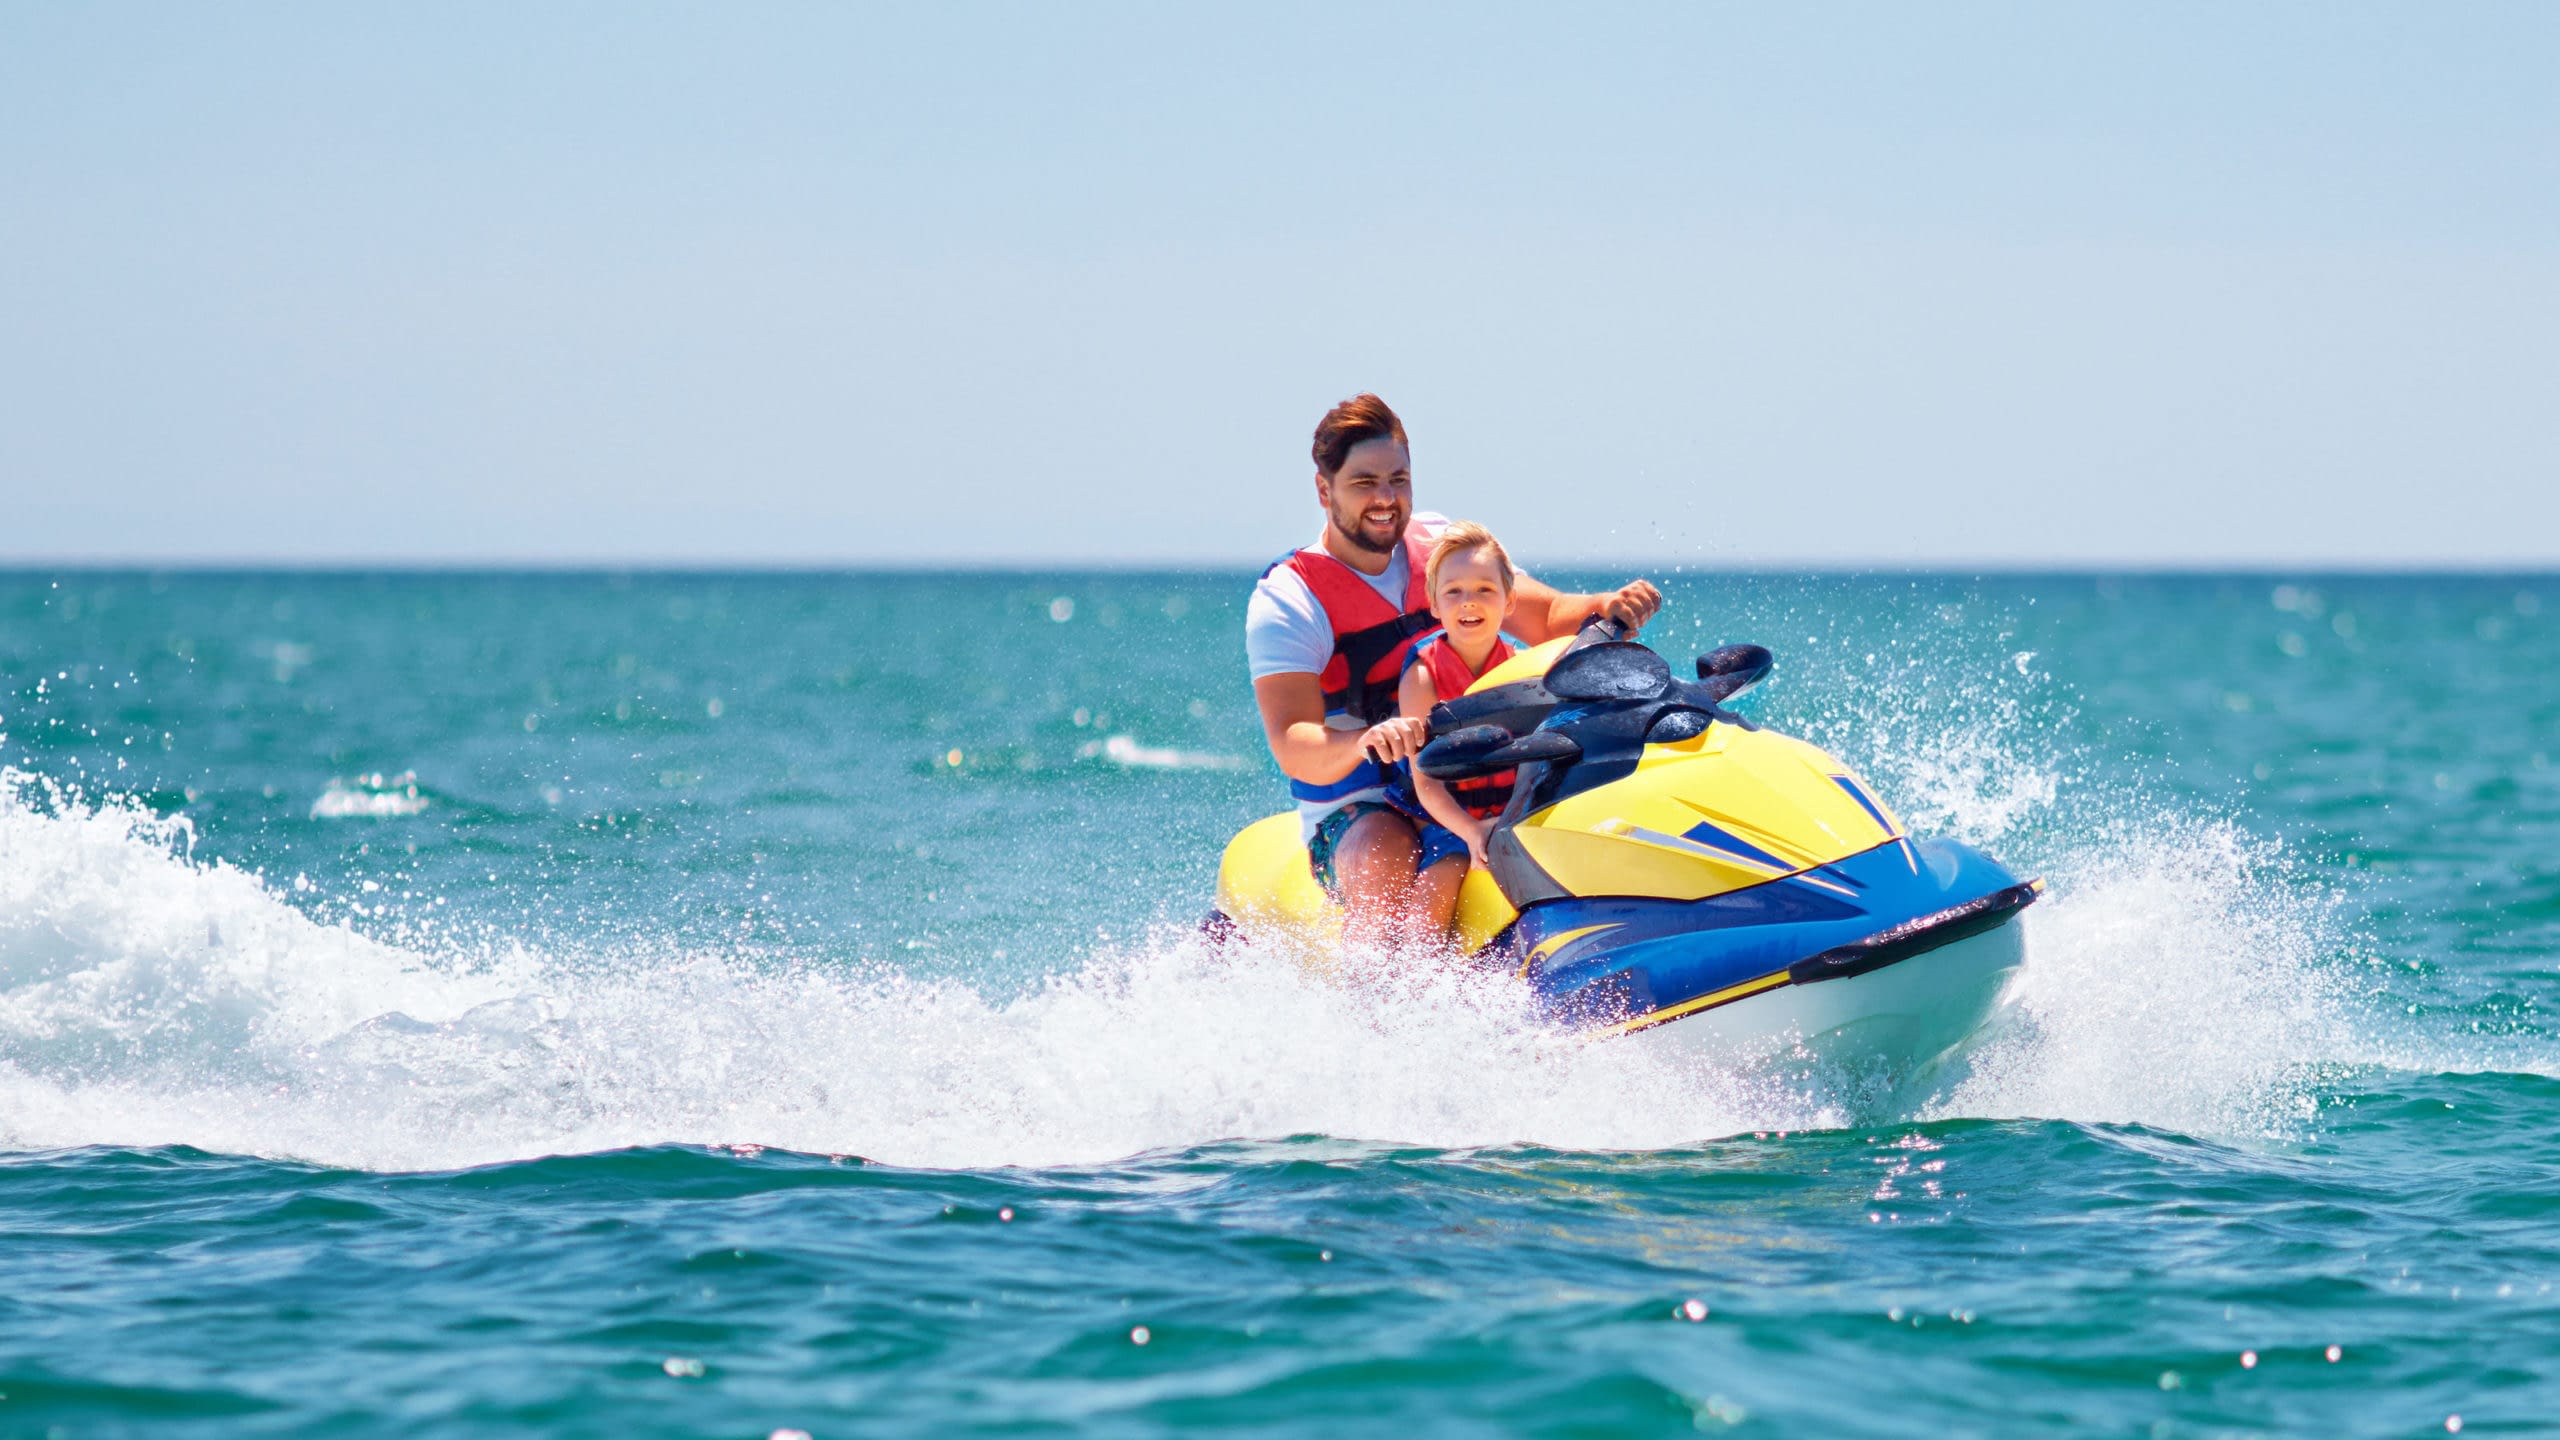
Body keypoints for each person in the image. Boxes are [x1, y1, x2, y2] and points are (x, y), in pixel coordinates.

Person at [1245, 394, 1661, 948]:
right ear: (1325, 490)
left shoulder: (1444, 549)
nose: (1387, 499)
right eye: (1364, 482)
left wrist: (1608, 605)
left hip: (1474, 773)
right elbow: (1292, 742)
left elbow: (1543, 615)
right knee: (1385, 863)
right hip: (1363, 802)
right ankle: (1377, 1018)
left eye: (1399, 479)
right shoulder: (1290, 600)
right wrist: (1367, 739)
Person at [1394, 521, 1521, 933]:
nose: (1469, 602)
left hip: (1508, 809)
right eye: (1454, 591)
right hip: (1445, 815)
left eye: (1485, 589)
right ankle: (1415, 984)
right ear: (1434, 604)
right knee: (1443, 877)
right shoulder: (1423, 676)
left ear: (1509, 600)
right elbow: (1426, 782)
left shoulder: (1522, 671)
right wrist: (1471, 832)